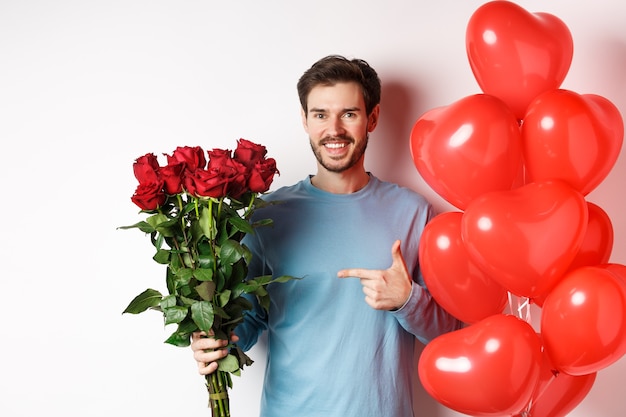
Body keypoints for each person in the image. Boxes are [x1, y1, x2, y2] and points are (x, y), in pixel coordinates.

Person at [191, 54, 463, 417]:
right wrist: (215, 342)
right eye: (320, 114)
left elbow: (451, 335)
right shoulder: (267, 215)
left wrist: (407, 300)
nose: (333, 129)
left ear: (373, 118)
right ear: (304, 120)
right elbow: (250, 319)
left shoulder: (413, 212)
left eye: (349, 114)